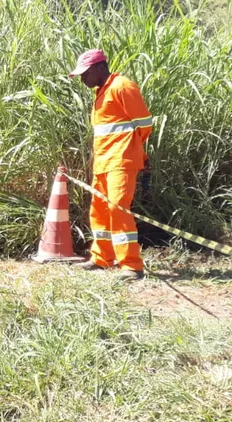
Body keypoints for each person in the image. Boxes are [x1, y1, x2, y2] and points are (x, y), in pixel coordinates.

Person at [69, 49, 153, 281]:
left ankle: (131, 266)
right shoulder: (101, 92)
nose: (83, 79)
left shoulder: (122, 86)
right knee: (99, 211)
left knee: (118, 209)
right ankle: (102, 258)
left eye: (85, 73)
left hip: (121, 161)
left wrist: (132, 150)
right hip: (103, 162)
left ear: (98, 67)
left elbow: (144, 125)